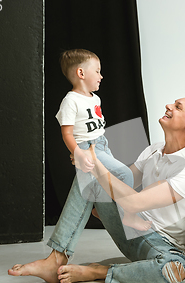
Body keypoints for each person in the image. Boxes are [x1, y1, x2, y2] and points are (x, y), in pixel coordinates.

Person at [9, 91, 185, 283]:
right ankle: (57, 258)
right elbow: (122, 181)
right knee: (91, 173)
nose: (168, 106)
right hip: (131, 228)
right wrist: (86, 158)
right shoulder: (153, 150)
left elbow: (134, 202)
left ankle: (99, 271)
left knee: (173, 271)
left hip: (161, 245)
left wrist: (96, 164)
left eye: (178, 107)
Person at [55, 49, 148, 231]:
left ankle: (99, 210)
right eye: (97, 71)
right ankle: (129, 215)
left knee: (105, 181)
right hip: (88, 148)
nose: (101, 76)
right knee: (125, 174)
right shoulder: (70, 101)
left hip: (102, 143)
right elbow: (67, 133)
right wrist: (78, 153)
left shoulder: (95, 99)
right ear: (81, 73)